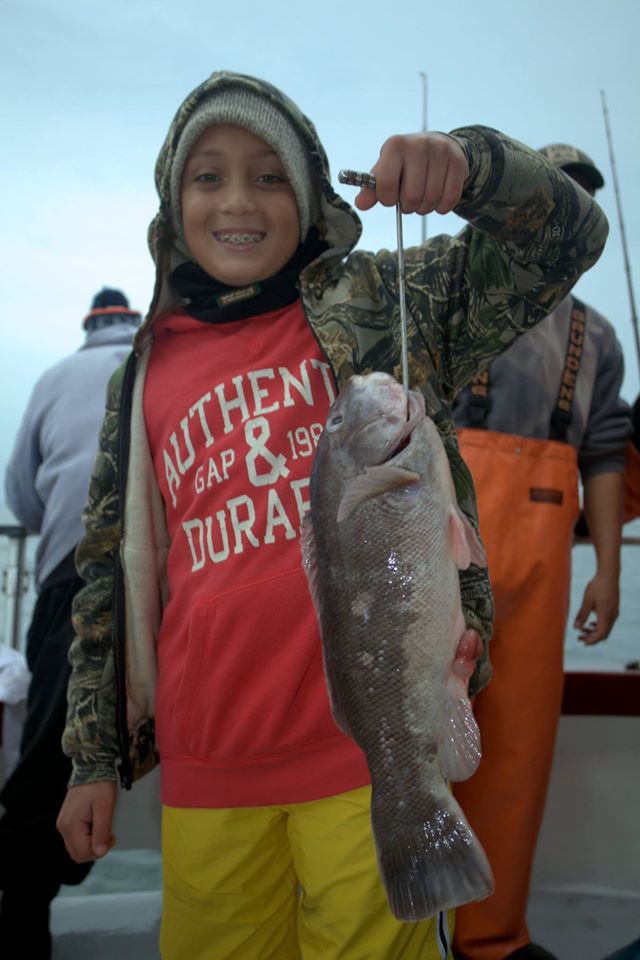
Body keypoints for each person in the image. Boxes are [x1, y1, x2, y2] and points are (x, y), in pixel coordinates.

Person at [55, 71, 608, 960]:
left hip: (368, 759)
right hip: (207, 768)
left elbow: (569, 240)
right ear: (172, 199)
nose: (239, 200)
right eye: (209, 176)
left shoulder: (383, 310)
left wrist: (469, 167)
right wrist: (90, 759)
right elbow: (103, 579)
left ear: (312, 194)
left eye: (271, 176)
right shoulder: (140, 377)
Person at [451, 145, 633, 960]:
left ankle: (490, 935)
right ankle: (407, 934)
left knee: (519, 748)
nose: (568, 211)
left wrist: (609, 569)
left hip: (545, 556)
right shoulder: (457, 295)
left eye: (581, 200)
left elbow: (604, 452)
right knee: (424, 735)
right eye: (555, 193)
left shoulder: (599, 338)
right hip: (448, 541)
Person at [1, 289, 141, 959]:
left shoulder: (55, 377)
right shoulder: (162, 356)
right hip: (178, 577)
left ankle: (23, 917)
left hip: (72, 577)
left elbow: (22, 497)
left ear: (89, 328)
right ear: (133, 323)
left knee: (43, 758)